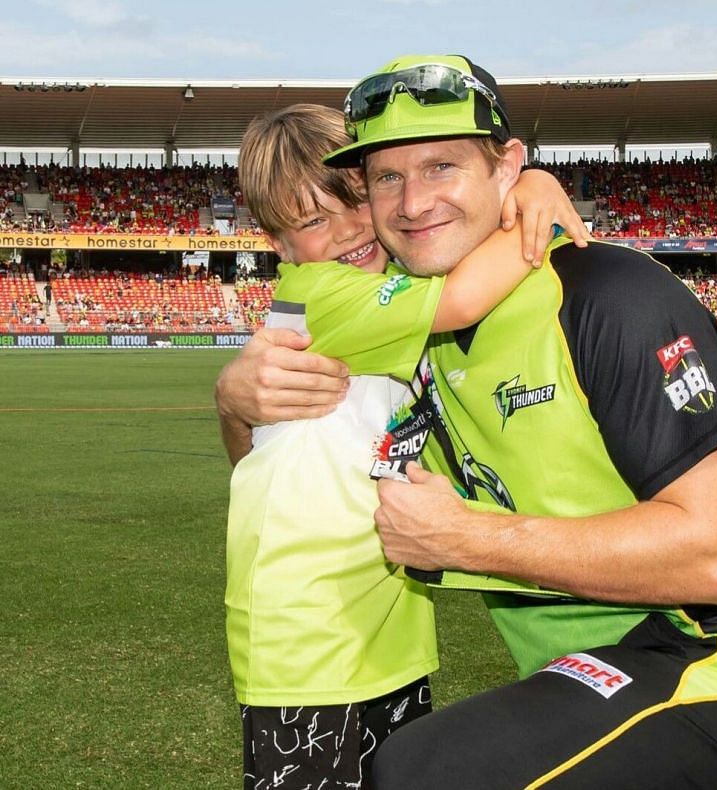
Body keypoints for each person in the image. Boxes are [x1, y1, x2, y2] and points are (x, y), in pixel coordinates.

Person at [218, 55, 717, 788]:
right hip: (590, 676)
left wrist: (466, 538)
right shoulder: (402, 324)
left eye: (443, 167)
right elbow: (279, 457)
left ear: (504, 166)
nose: (411, 202)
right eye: (388, 178)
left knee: (426, 770)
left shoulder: (608, 296)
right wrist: (234, 403)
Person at [223, 102, 587, 790]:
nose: (348, 230)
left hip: (388, 617)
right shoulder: (324, 294)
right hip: (308, 629)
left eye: (355, 199)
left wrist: (517, 185)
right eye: (311, 221)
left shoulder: (392, 286)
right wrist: (531, 201)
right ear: (277, 246)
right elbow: (460, 302)